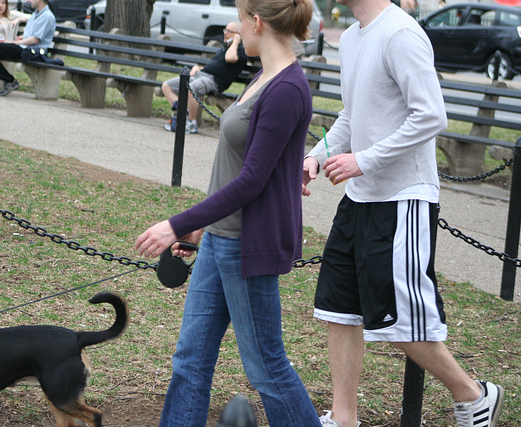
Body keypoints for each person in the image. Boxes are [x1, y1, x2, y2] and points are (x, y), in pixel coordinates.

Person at [301, 1, 505, 427]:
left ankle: (473, 396)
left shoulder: (401, 32)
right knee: (340, 311)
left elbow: (430, 115)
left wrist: (364, 160)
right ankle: (343, 419)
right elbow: (351, 117)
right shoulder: (354, 37)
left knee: (400, 321)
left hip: (402, 199)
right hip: (359, 199)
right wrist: (318, 157)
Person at [136, 0, 320, 425]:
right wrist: (203, 227)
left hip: (246, 248)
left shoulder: (288, 88)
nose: (235, 27)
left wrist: (177, 223)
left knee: (266, 368)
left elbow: (252, 179)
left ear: (256, 22)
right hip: (222, 238)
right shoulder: (262, 77)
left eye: (240, 17)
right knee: (190, 359)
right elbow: (253, 167)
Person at [161, 21, 248, 134]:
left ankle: (191, 123)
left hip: (214, 81)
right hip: (201, 75)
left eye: (229, 31)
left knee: (190, 89)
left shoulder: (240, 51)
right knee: (166, 86)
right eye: (225, 30)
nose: (225, 33)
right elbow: (216, 65)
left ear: (238, 34)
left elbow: (229, 58)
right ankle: (182, 114)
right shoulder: (224, 48)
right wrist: (199, 68)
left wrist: (236, 42)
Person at [0, 0, 55, 96]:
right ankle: (8, 81)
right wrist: (21, 36)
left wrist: (14, 42)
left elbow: (35, 40)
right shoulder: (37, 14)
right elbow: (32, 34)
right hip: (24, 47)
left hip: (31, 51)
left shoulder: (46, 16)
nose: (29, 1)